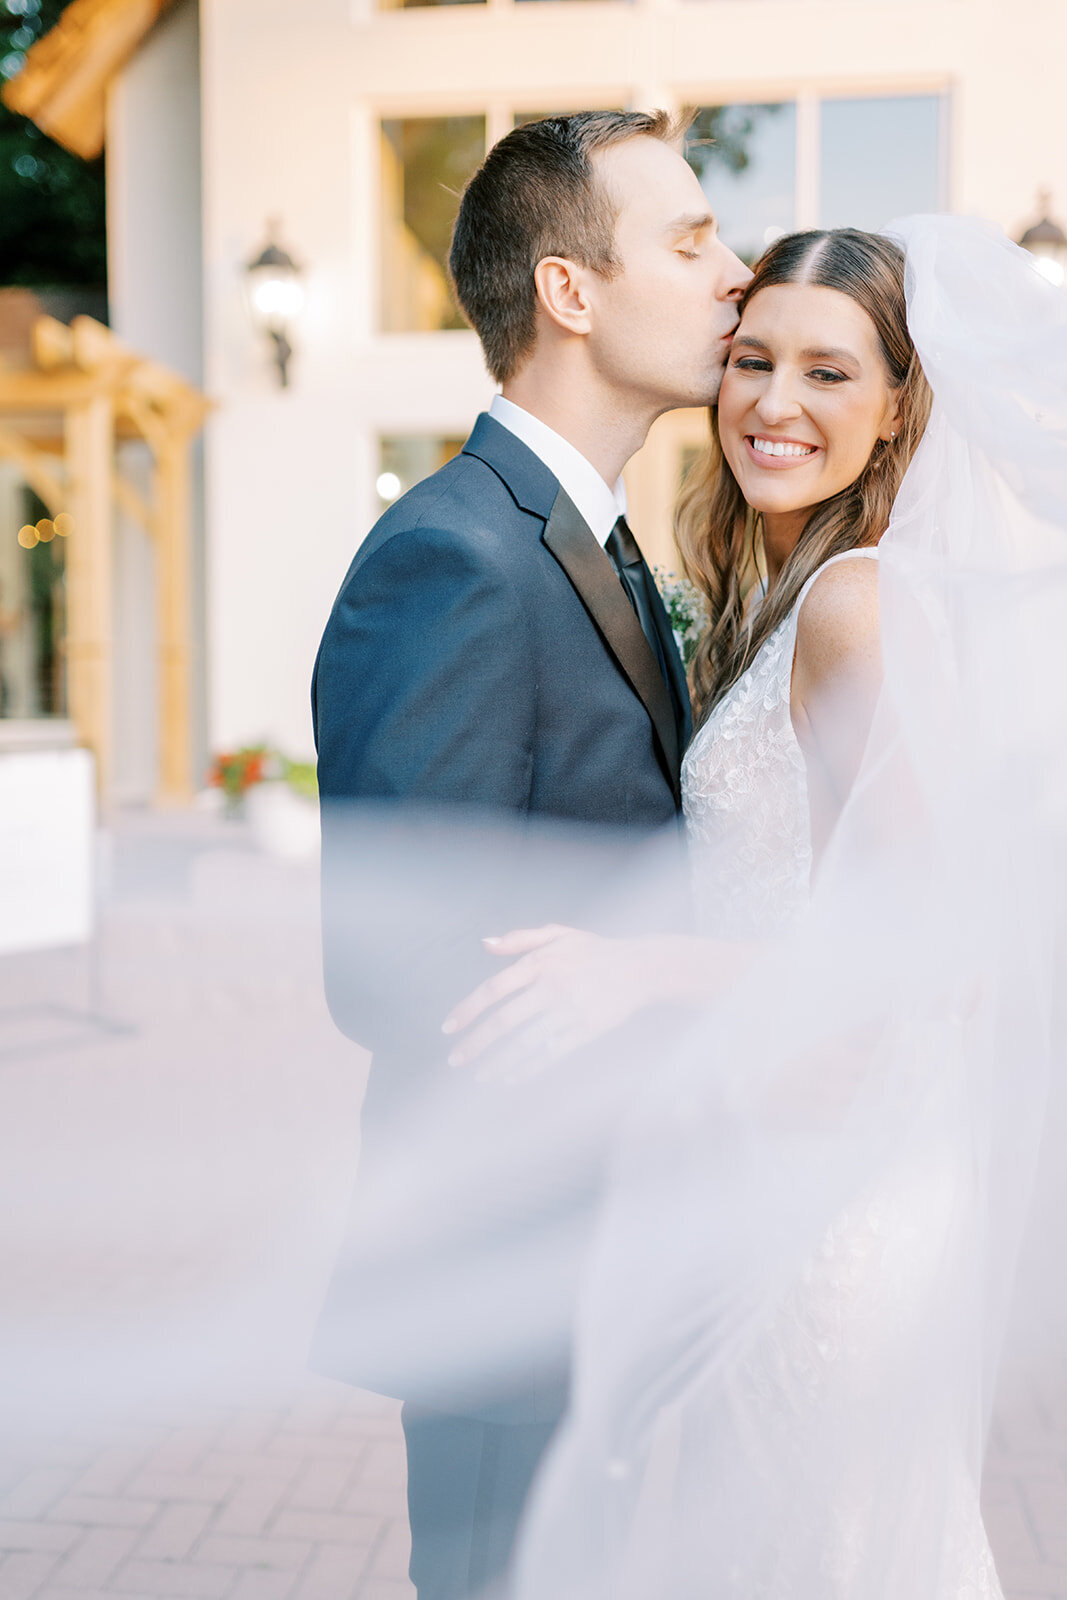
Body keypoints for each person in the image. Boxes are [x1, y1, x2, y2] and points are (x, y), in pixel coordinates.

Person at [444, 220, 1067, 1597]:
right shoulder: (791, 591)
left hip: (837, 1210)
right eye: (752, 360)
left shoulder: (860, 603)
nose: (776, 404)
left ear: (903, 405)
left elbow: (925, 946)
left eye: (831, 374)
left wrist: (647, 974)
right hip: (783, 1172)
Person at [310, 110, 749, 1600]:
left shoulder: (605, 542)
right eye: (692, 241)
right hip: (513, 1276)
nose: (734, 274)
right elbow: (394, 958)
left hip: (614, 1261)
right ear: (571, 289)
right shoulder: (456, 551)